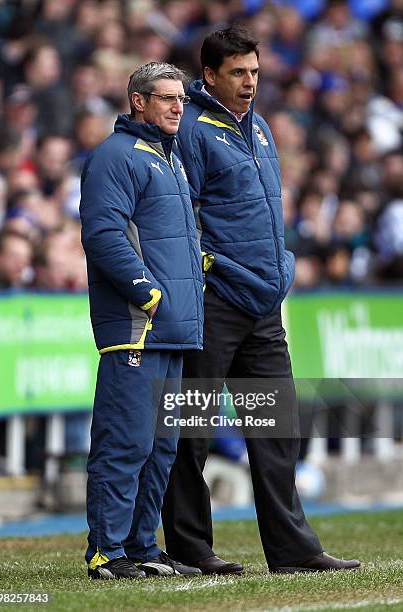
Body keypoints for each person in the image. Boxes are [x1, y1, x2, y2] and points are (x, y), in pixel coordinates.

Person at [161, 26, 361, 575]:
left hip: (264, 306)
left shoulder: (261, 127)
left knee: (276, 429)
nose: (250, 82)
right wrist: (207, 272)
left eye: (254, 71)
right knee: (190, 430)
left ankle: (293, 550)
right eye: (237, 74)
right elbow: (181, 214)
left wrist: (283, 268)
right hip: (216, 302)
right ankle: (189, 548)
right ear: (209, 76)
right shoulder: (194, 131)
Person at [80, 62, 204, 580]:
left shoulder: (170, 160)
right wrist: (148, 294)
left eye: (182, 99)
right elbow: (103, 234)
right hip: (139, 326)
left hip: (174, 329)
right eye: (167, 98)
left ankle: (141, 548)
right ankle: (106, 551)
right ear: (138, 101)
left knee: (161, 448)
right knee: (126, 441)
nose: (179, 107)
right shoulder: (116, 156)